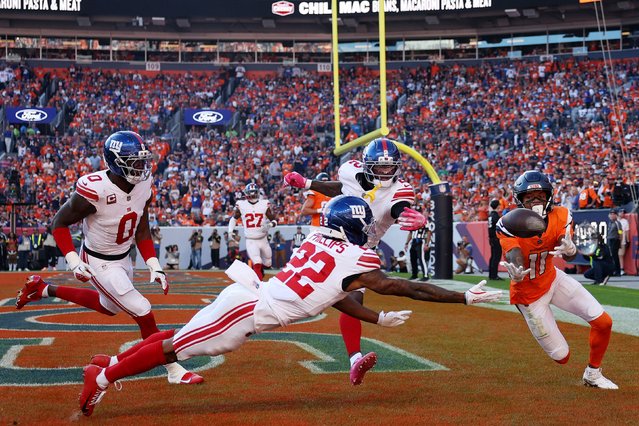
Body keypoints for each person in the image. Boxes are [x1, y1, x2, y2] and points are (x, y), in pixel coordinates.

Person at [77, 195, 502, 417]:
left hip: (249, 299)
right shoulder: (358, 260)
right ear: (354, 226)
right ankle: (103, 379)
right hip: (246, 313)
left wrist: (375, 317)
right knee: (174, 349)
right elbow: (409, 289)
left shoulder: (316, 239)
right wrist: (464, 296)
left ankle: (111, 360)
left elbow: (336, 294)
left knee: (177, 339)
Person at [15, 131, 202, 385]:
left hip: (124, 257)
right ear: (115, 161)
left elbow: (142, 227)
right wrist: (74, 262)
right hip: (98, 261)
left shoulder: (144, 185)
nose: (141, 166)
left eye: (142, 160)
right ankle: (173, 370)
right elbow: (59, 223)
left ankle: (43, 289)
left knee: (109, 306)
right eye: (134, 161)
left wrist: (154, 265)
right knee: (143, 310)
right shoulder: (95, 189)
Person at [284, 138, 426, 385]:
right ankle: (259, 305)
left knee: (352, 299)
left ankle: (354, 359)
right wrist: (308, 184)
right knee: (295, 292)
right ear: (368, 164)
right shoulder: (351, 170)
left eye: (390, 167)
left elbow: (399, 208)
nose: (385, 171)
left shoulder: (400, 189)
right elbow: (342, 188)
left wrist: (411, 216)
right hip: (329, 240)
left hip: (359, 247)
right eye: (380, 167)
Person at [497, 170, 617, 389]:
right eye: (529, 196)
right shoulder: (509, 223)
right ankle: (529, 316)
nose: (535, 200)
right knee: (562, 356)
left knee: (604, 322)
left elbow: (568, 250)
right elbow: (514, 256)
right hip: (528, 295)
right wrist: (515, 268)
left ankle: (593, 373)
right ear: (519, 199)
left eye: (540, 195)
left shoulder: (561, 214)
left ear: (549, 195)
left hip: (553, 279)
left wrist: (570, 247)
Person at [228, 183, 277, 280]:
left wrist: (269, 225)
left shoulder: (264, 204)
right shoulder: (241, 205)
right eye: (250, 194)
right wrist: (230, 231)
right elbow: (233, 219)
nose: (252, 196)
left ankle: (260, 271)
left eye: (254, 194)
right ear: (246, 194)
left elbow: (274, 220)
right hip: (251, 239)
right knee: (257, 261)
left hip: (263, 238)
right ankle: (259, 283)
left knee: (268, 263)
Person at [487, 199, 503, 280]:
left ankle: (491, 274)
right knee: (496, 257)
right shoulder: (495, 216)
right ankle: (494, 275)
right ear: (498, 206)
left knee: (493, 256)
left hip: (491, 238)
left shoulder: (490, 215)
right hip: (496, 239)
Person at [606, 208, 623, 277]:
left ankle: (617, 271)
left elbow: (620, 232)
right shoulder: (610, 223)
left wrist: (620, 240)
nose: (612, 216)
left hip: (615, 240)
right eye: (611, 214)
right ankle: (613, 271)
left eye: (613, 214)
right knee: (611, 256)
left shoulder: (617, 223)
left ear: (616, 215)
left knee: (615, 256)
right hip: (610, 239)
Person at [617, 208, 630, 276]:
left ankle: (621, 269)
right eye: (621, 212)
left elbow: (627, 231)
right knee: (615, 255)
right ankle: (616, 269)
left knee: (621, 255)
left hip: (622, 241)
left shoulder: (625, 221)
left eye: (623, 212)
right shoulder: (615, 221)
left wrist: (628, 240)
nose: (622, 214)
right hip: (615, 241)